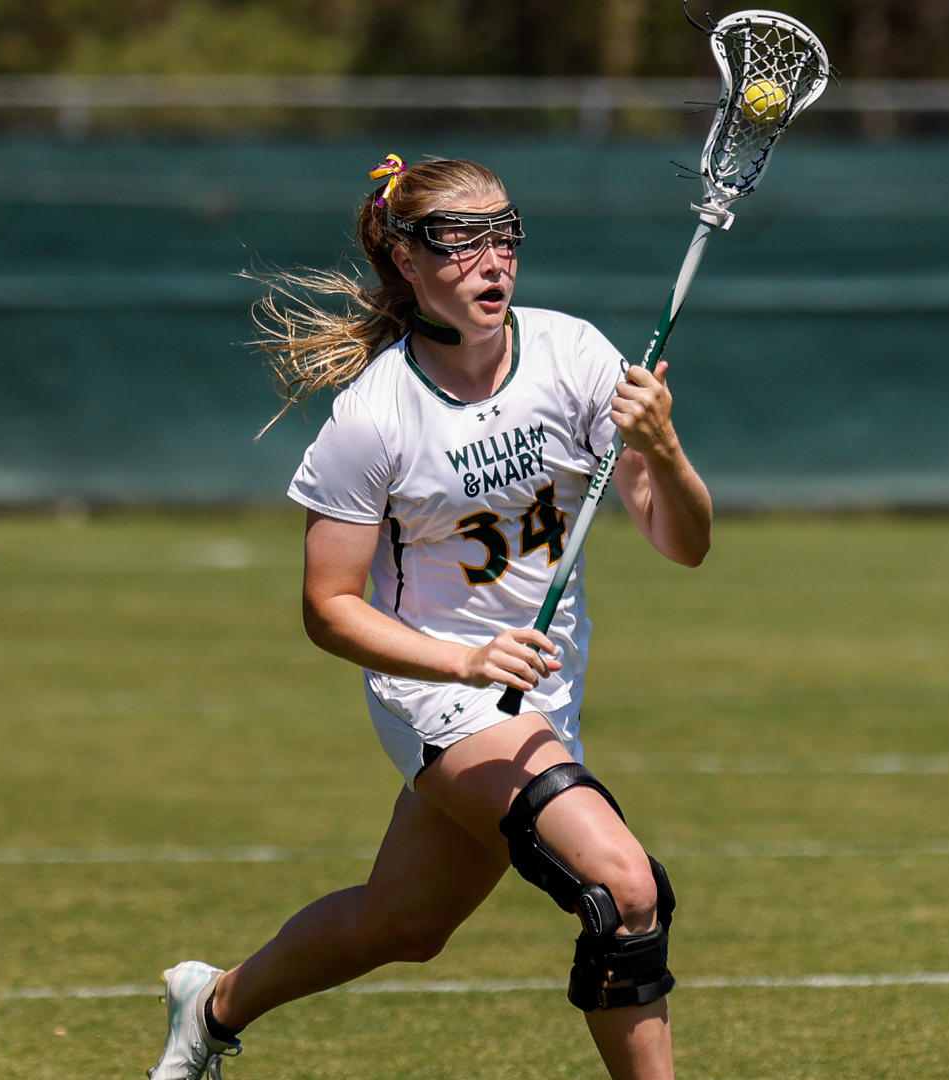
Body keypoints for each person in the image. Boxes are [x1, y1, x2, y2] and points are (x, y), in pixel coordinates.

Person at [149, 155, 713, 1080]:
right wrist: (465, 663)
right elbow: (327, 609)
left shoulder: (572, 354)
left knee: (402, 925)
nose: (493, 262)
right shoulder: (374, 417)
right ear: (407, 261)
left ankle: (211, 1005)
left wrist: (664, 445)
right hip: (439, 692)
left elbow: (682, 541)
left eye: (506, 235)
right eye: (462, 242)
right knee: (623, 887)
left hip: (540, 688)